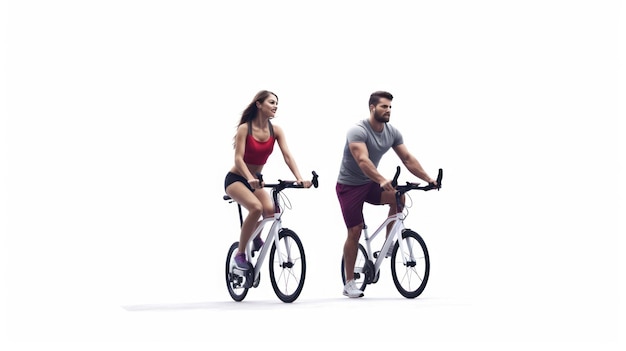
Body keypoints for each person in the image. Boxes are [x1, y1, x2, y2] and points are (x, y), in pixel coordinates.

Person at [336, 91, 438, 298]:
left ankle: (388, 243)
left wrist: (429, 179)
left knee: (399, 197)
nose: (388, 110)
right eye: (384, 106)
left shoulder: (392, 132)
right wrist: (382, 179)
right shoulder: (357, 131)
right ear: (372, 108)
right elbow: (362, 160)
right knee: (355, 230)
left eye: (390, 107)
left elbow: (408, 159)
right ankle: (349, 283)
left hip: (370, 183)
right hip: (349, 186)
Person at [225, 90, 312, 270]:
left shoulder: (276, 130)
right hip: (236, 179)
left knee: (271, 211)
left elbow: (288, 156)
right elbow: (238, 159)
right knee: (256, 208)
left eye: (276, 103)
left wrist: (299, 178)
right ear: (259, 104)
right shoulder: (245, 129)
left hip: (255, 181)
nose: (275, 106)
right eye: (271, 102)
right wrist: (249, 178)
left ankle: (256, 238)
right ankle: (239, 254)